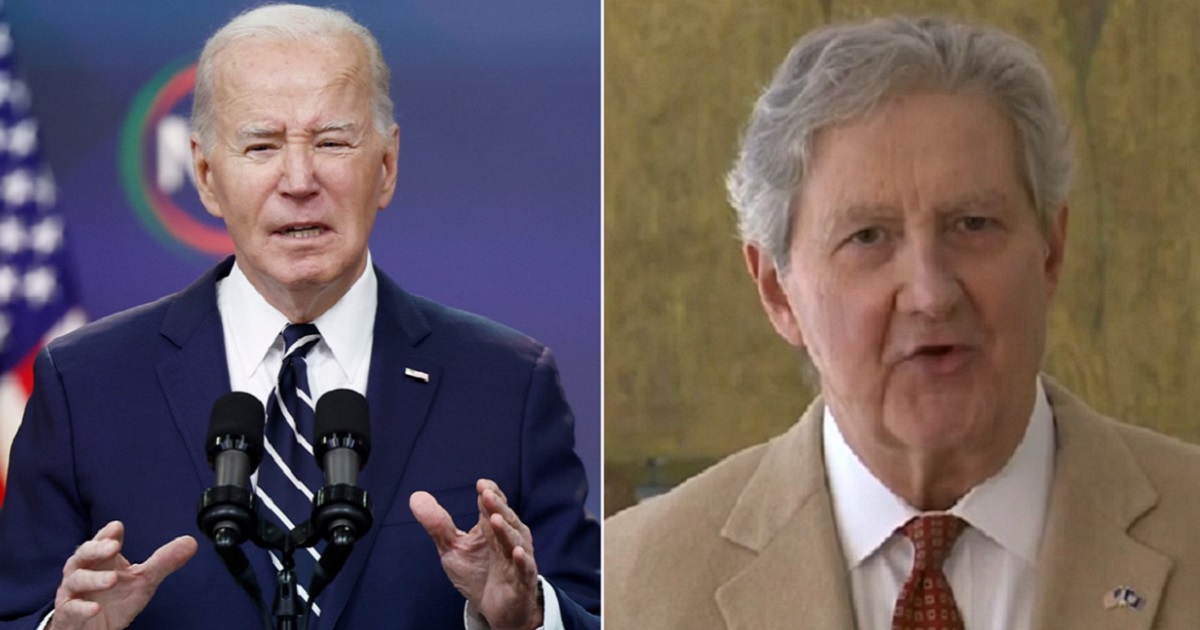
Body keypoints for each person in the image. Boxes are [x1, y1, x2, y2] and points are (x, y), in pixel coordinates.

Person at [0, 5, 599, 630]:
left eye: (332, 142)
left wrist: (528, 617)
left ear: (387, 166)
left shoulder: (507, 385)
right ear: (205, 174)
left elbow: (595, 611)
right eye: (261, 145)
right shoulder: (84, 384)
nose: (299, 179)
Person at [605, 15, 1200, 629]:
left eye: (973, 224)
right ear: (777, 291)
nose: (930, 294)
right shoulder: (628, 586)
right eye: (868, 237)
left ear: (1050, 250)